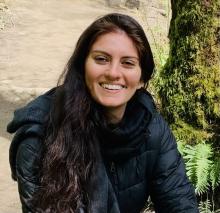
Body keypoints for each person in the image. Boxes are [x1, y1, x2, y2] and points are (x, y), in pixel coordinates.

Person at [7, 13, 199, 213]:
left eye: (128, 63)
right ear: (83, 66)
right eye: (101, 59)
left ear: (142, 77)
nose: (113, 72)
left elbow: (178, 200)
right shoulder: (39, 136)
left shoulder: (150, 125)